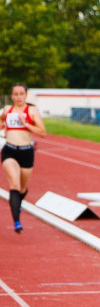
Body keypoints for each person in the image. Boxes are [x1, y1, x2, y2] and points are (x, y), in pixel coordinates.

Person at [1, 83, 46, 233]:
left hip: (26, 153)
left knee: (22, 188)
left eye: (21, 94)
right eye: (16, 94)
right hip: (10, 151)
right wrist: (2, 124)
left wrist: (26, 124)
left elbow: (42, 132)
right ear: (12, 96)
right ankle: (17, 222)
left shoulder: (31, 110)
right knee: (14, 184)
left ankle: (17, 203)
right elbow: (1, 121)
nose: (19, 97)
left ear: (26, 95)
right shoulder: (8, 110)